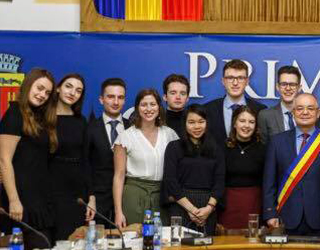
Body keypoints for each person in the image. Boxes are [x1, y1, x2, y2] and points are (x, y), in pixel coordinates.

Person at [262, 93, 320, 236]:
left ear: (318, 113)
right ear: (293, 113)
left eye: (310, 108)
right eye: (299, 108)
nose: (305, 112)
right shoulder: (277, 142)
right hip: (284, 218)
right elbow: (269, 183)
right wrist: (270, 213)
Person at [0, 68, 56, 249]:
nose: (42, 95)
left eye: (47, 92)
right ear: (28, 85)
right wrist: (14, 200)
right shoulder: (14, 114)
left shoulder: (40, 117)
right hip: (21, 201)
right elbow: (4, 160)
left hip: (40, 199)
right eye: (39, 88)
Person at [113, 89, 179, 229]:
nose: (148, 109)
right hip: (134, 196)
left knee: (162, 242)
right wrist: (118, 211)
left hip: (162, 197)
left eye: (152, 104)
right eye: (144, 105)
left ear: (159, 107)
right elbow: (119, 176)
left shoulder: (170, 134)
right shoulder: (126, 137)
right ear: (137, 108)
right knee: (133, 241)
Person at [46, 74, 96, 241]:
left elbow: (86, 160)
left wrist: (91, 197)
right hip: (49, 187)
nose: (73, 92)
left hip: (76, 192)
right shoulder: (42, 118)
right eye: (69, 86)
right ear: (58, 88)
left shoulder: (81, 121)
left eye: (78, 90)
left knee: (72, 243)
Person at [163, 104, 225, 235]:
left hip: (208, 208)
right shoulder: (174, 147)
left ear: (207, 123)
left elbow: (219, 182)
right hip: (181, 206)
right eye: (191, 122)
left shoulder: (216, 149)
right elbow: (171, 181)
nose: (197, 126)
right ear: (184, 124)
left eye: (201, 122)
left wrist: (208, 209)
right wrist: (191, 210)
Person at [87, 78, 128, 223]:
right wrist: (90, 197)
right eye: (111, 97)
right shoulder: (89, 128)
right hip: (97, 203)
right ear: (101, 99)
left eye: (120, 97)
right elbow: (85, 166)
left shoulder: (133, 128)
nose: (116, 102)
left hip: (127, 200)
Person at [218, 106, 267, 229]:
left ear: (256, 126)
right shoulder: (221, 148)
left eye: (251, 122)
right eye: (242, 121)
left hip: (254, 205)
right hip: (227, 207)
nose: (247, 126)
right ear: (234, 123)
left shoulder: (263, 149)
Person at [204, 59, 266, 143]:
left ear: (247, 81)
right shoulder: (207, 110)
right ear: (223, 81)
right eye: (230, 78)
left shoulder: (260, 110)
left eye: (240, 78)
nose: (235, 83)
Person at [162, 74, 190, 138]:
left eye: (182, 93)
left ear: (187, 98)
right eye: (173, 93)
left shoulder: (194, 123)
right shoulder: (157, 121)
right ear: (165, 97)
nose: (178, 97)